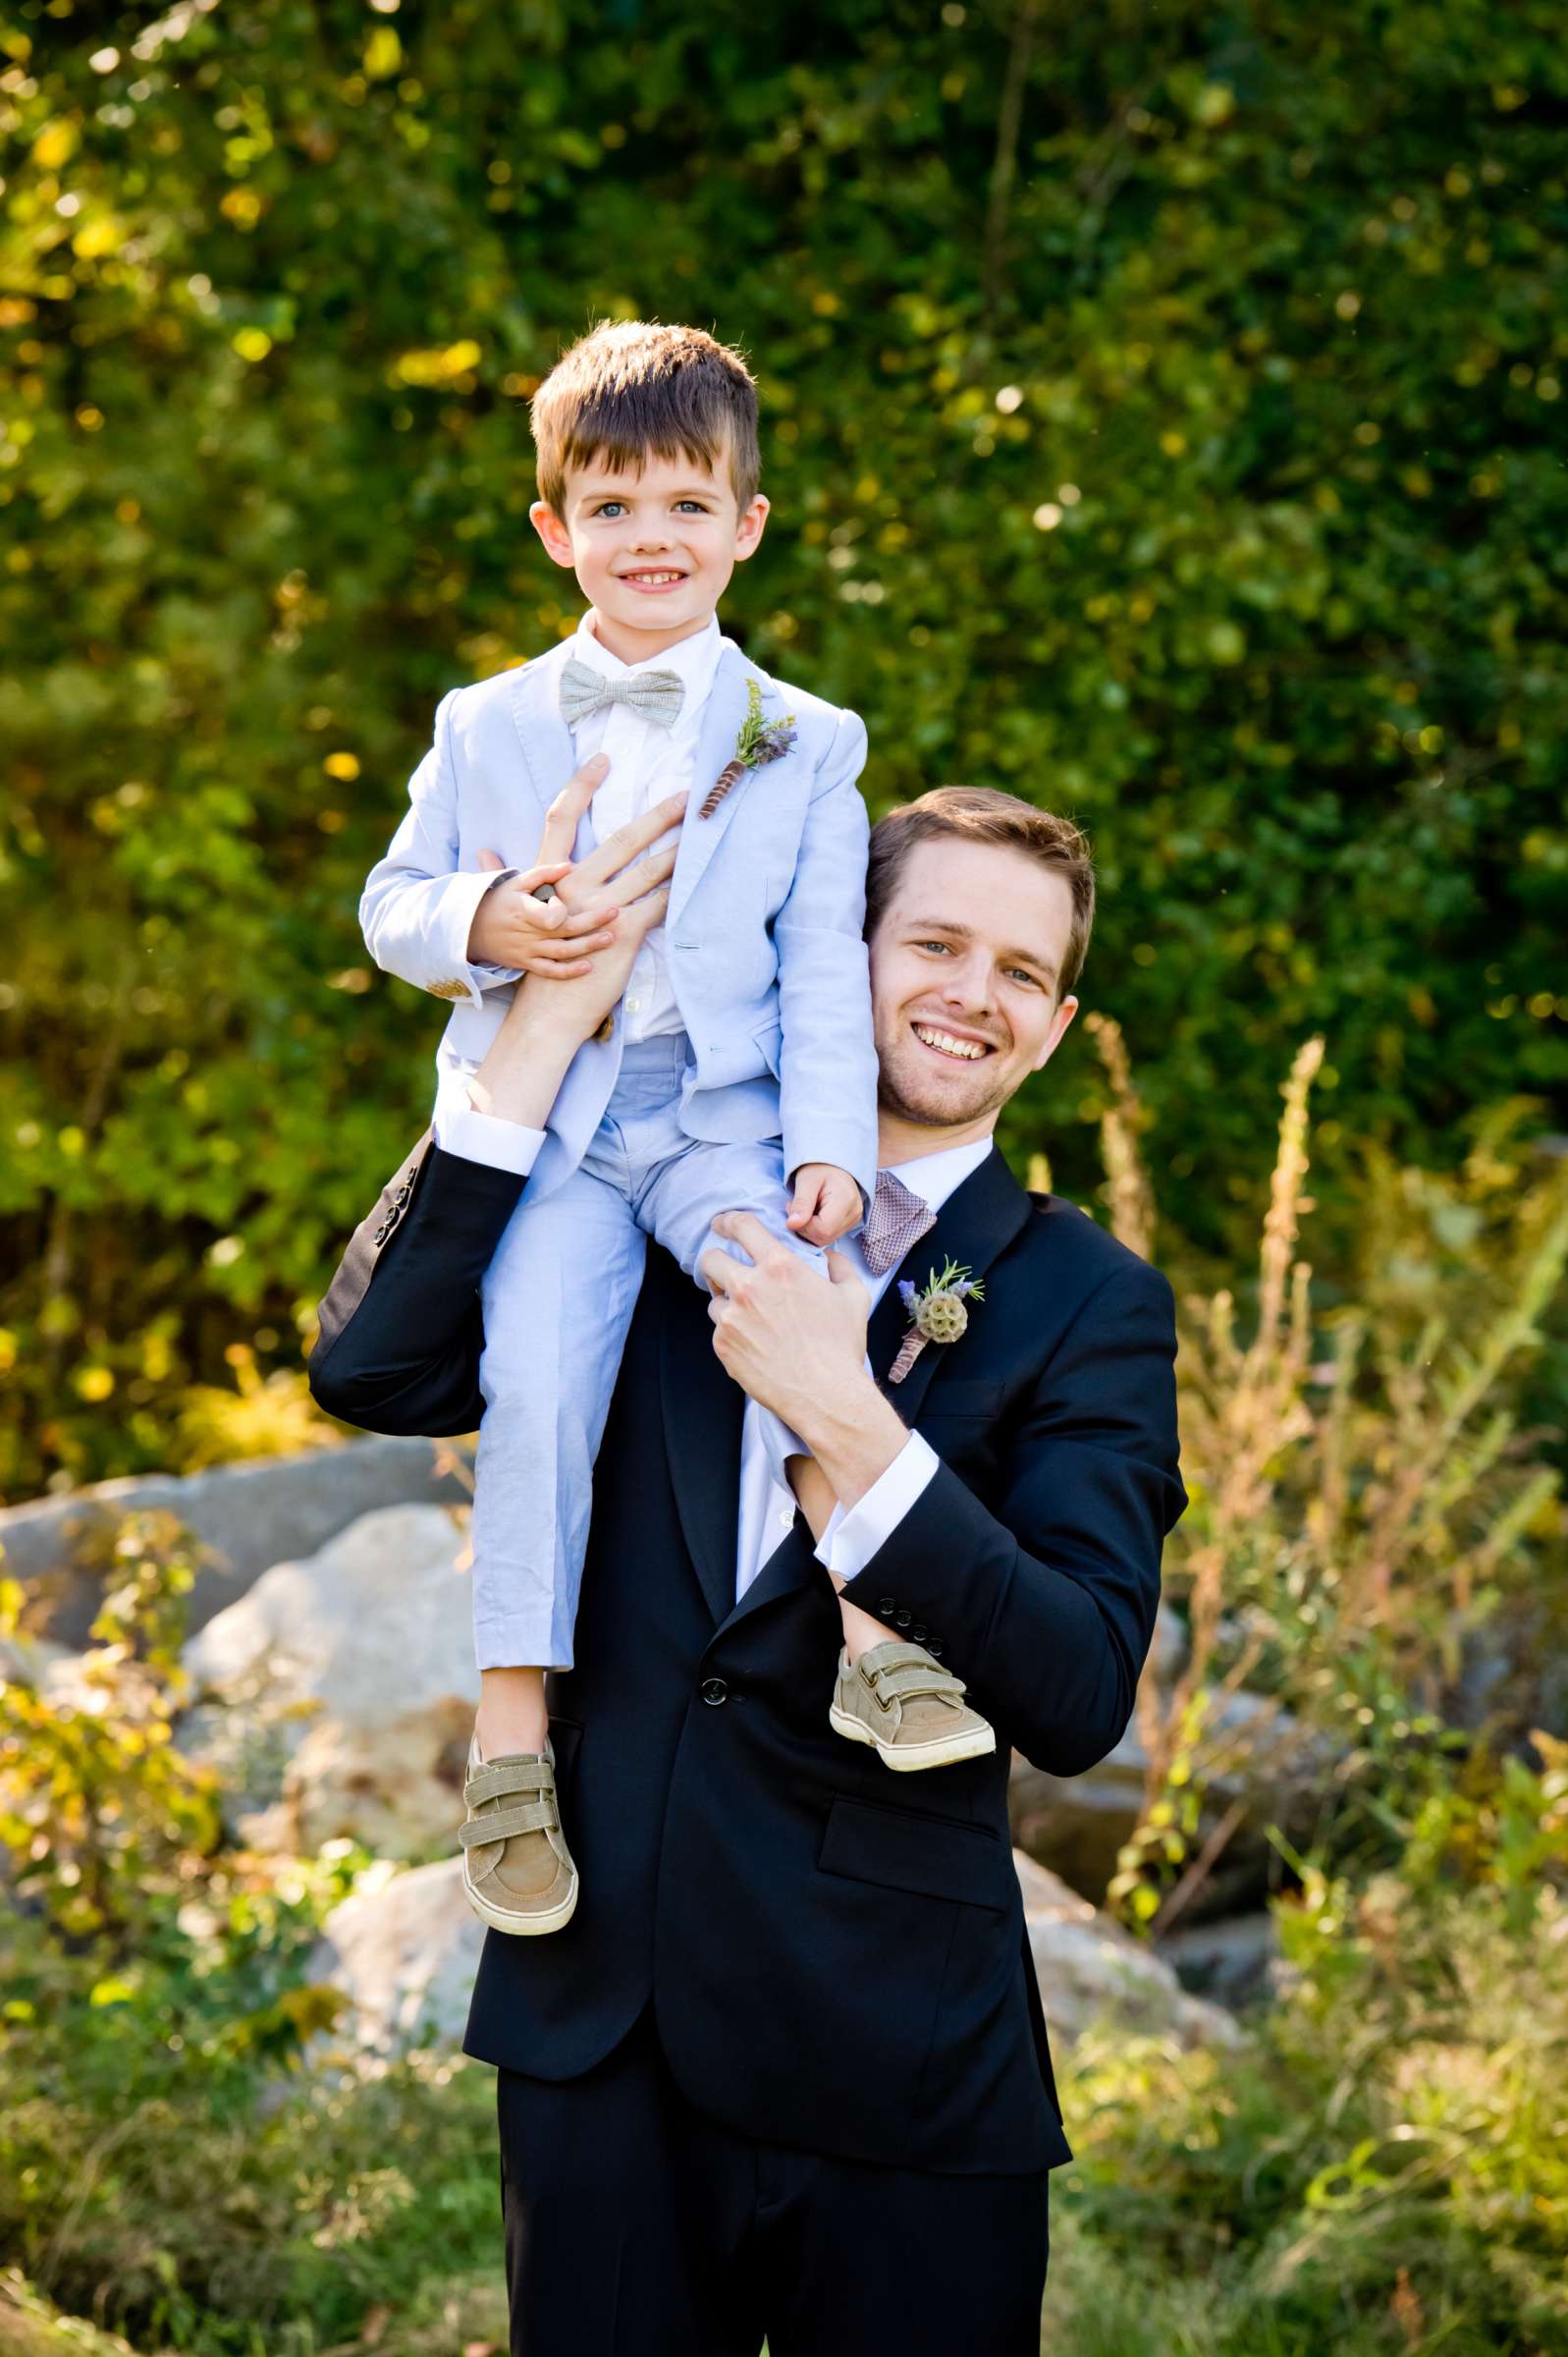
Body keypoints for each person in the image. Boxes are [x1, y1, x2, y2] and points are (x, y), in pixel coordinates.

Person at [309, 780, 1186, 2356]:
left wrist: (854, 1426)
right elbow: (373, 1367)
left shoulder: (1083, 1301)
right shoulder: (639, 1196)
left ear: (1055, 1026)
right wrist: (539, 1036)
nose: (971, 995)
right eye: (932, 942)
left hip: (903, 2054)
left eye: (1019, 973)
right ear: (833, 954)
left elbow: (1073, 1687)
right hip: (603, 2033)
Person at [353, 320, 990, 1940]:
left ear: (747, 528)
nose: (653, 540)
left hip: (716, 1115)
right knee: (538, 1380)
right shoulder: (481, 723)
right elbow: (394, 906)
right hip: (555, 1125)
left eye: (688, 506)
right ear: (557, 528)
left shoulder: (806, 736)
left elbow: (817, 977)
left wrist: (830, 1142)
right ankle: (511, 1739)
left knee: (799, 1310)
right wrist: (498, 917)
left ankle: (873, 1635)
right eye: (615, 506)